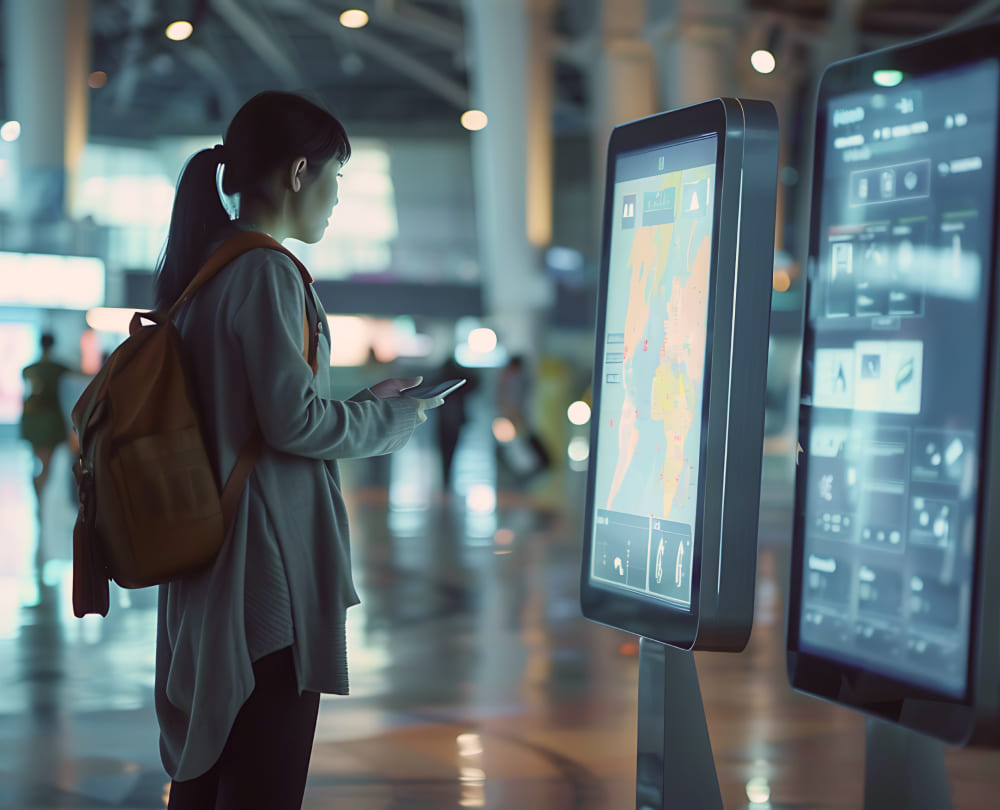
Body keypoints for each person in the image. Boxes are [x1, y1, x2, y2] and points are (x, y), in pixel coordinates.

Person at [151, 91, 443, 810]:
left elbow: (262, 414)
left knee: (212, 775)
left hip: (212, 556)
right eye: (337, 177)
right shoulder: (265, 271)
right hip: (263, 568)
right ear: (299, 171)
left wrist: (365, 404)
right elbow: (293, 424)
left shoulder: (210, 266)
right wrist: (390, 422)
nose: (338, 198)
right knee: (263, 783)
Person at [20, 333, 71, 507]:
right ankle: (40, 501)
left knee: (38, 463)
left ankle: (39, 500)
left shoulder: (29, 369)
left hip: (32, 420)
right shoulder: (58, 369)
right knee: (46, 464)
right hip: (49, 421)